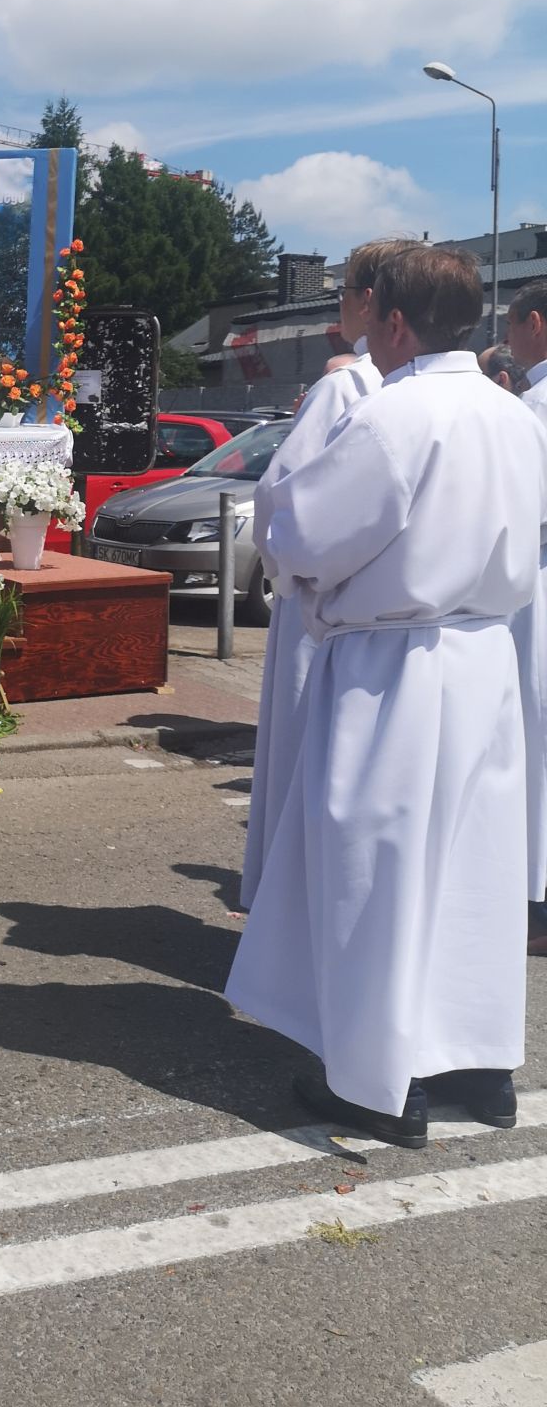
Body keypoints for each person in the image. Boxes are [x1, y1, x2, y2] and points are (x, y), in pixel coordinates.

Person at [226, 244, 547, 1147]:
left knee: (375, 869)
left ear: (395, 322)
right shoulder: (514, 413)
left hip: (394, 664)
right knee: (473, 869)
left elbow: (304, 533)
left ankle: (377, 1083)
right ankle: (479, 1069)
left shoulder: (395, 414)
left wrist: (285, 545)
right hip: (485, 658)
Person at [240, 238, 412, 909]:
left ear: (369, 302)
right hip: (414, 622)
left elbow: (281, 501)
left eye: (342, 293)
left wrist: (283, 571)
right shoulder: (459, 394)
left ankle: (291, 904)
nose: (337, 307)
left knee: (304, 756)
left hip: (324, 606)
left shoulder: (346, 385)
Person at [504, 280, 547, 958]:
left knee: (532, 733)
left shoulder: (532, 409)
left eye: (511, 326)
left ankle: (535, 904)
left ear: (534, 324)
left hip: (536, 574)